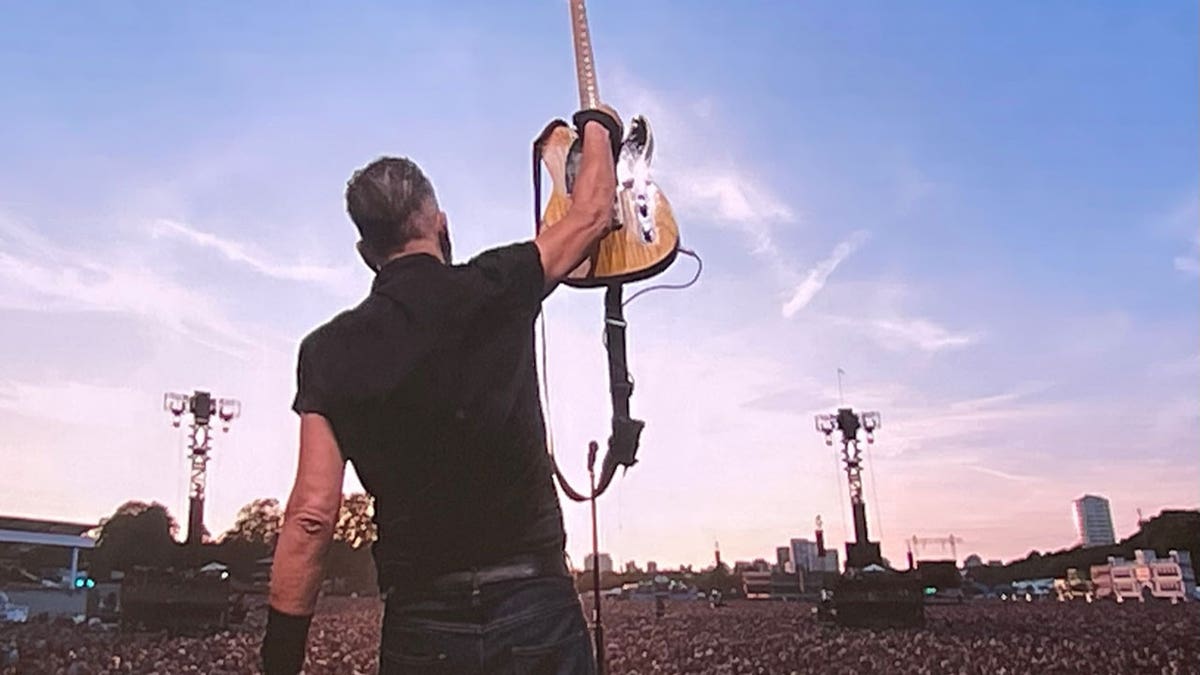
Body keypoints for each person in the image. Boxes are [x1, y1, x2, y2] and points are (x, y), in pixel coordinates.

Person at [260, 105, 623, 675]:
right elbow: (594, 213)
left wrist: (279, 663)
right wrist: (599, 125)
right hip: (535, 608)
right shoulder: (497, 284)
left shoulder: (327, 352)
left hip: (422, 626)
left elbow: (311, 516)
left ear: (366, 254)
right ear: (441, 225)